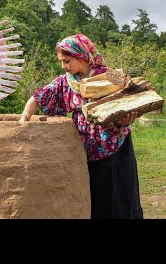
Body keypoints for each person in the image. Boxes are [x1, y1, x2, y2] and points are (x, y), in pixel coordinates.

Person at [19, 33, 143, 219]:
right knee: (93, 199)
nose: (63, 66)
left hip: (116, 146)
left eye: (67, 61)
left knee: (120, 197)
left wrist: (129, 117)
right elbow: (37, 97)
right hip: (85, 150)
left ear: (81, 56)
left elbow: (133, 98)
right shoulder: (65, 82)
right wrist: (24, 118)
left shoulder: (111, 76)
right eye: (61, 61)